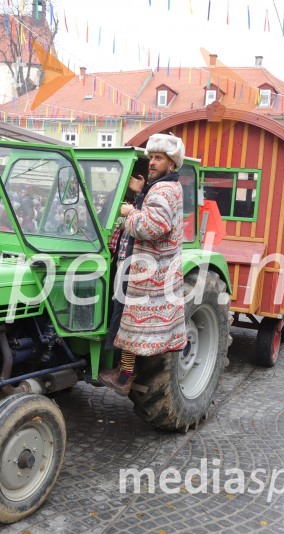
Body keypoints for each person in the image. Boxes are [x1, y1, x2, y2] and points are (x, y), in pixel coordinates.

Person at [99, 134, 187, 395]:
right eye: (150, 157)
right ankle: (122, 372)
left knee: (132, 325)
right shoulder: (160, 187)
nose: (152, 162)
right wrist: (140, 193)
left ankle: (125, 376)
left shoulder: (165, 189)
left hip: (147, 273)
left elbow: (151, 226)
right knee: (129, 323)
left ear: (171, 163)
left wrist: (128, 213)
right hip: (141, 267)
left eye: (158, 158)